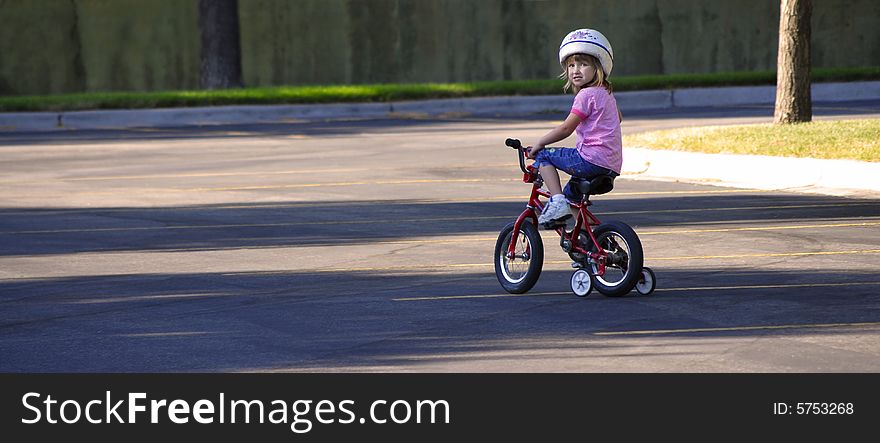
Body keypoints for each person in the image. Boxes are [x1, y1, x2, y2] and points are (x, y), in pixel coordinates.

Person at [527, 28, 622, 226]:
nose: (575, 70)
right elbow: (618, 118)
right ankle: (592, 247)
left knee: (545, 156)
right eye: (571, 65)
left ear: (598, 68)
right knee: (573, 200)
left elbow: (565, 129)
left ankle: (556, 201)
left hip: (590, 160)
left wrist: (539, 144)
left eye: (583, 64)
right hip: (610, 165)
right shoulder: (606, 93)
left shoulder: (585, 95)